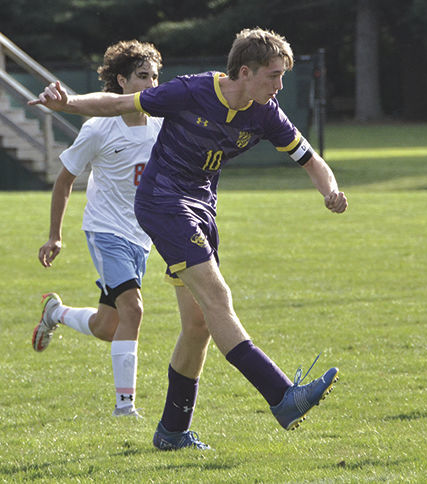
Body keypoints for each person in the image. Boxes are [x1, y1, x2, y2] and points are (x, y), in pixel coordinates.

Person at [30, 27, 348, 450]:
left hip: (202, 210)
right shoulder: (192, 91)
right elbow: (119, 102)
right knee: (218, 300)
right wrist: (67, 102)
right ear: (245, 71)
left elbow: (310, 159)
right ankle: (282, 394)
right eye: (273, 75)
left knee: (198, 324)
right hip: (163, 203)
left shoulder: (265, 112)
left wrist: (330, 190)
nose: (280, 85)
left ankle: (172, 432)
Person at [32, 40, 163, 418]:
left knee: (108, 327)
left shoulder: (161, 122)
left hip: (142, 237)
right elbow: (64, 181)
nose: (151, 85)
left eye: (155, 77)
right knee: (133, 311)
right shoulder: (98, 128)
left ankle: (55, 313)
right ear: (121, 81)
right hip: (106, 231)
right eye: (142, 76)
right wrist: (56, 234)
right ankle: (126, 409)